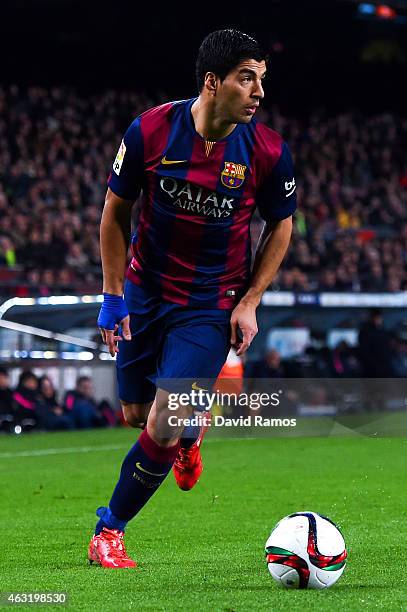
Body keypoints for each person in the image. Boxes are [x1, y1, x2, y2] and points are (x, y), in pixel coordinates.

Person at [89, 29, 296, 568]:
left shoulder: (268, 151)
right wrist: (113, 297)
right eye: (246, 78)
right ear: (212, 82)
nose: (258, 92)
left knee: (163, 416)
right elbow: (115, 211)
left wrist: (250, 299)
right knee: (137, 414)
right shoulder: (151, 130)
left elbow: (281, 225)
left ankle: (109, 530)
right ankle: (190, 430)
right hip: (145, 291)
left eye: (261, 80)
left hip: (210, 303)